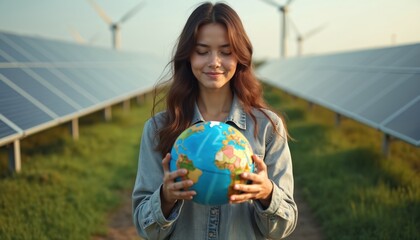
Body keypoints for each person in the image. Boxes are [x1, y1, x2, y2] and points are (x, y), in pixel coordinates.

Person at [132, 2, 297, 239]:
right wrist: (166, 198)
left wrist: (267, 193)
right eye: (202, 51)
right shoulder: (158, 129)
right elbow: (146, 229)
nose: (214, 61)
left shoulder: (268, 128)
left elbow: (283, 227)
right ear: (187, 55)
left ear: (240, 56)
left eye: (226, 51)